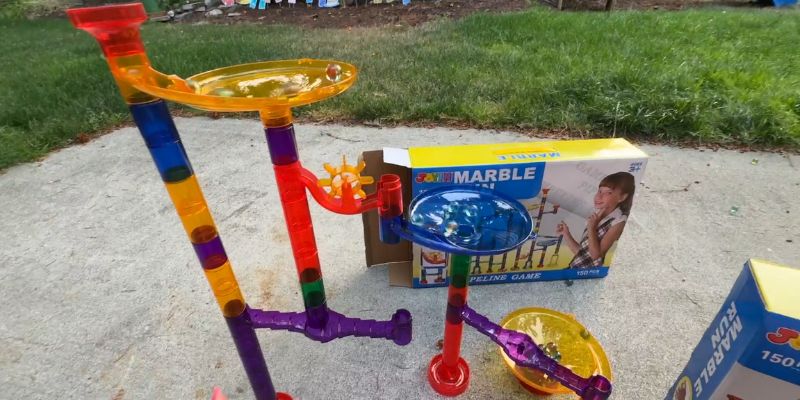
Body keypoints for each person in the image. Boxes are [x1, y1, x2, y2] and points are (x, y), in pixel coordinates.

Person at [556, 172, 635, 269]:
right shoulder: (597, 215)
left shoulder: (618, 222)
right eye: (600, 191)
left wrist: (591, 227)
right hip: (575, 269)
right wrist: (566, 233)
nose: (598, 197)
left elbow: (595, 256)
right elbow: (582, 254)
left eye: (609, 192)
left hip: (590, 274)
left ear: (622, 197)